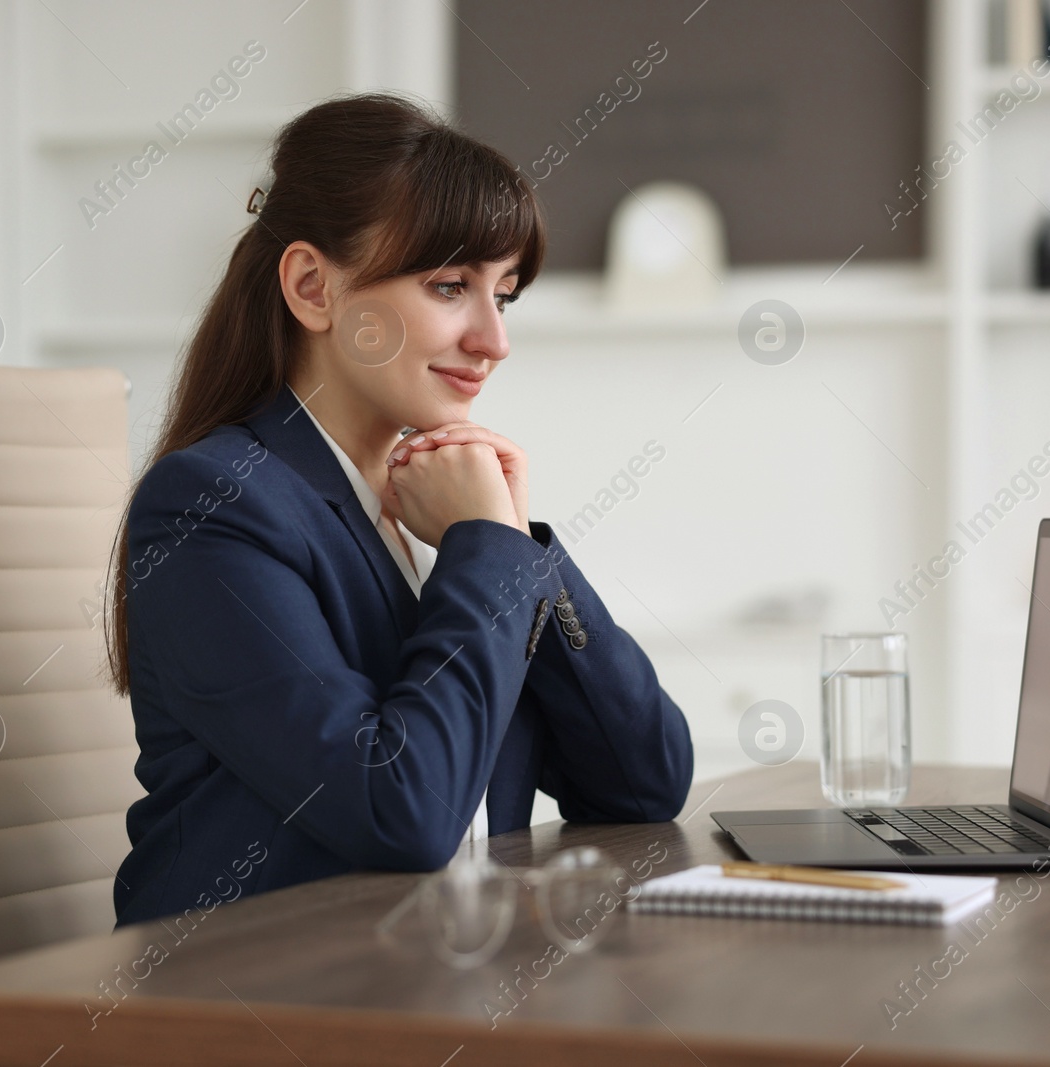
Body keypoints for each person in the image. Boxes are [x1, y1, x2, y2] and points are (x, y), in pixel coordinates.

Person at [106, 92, 694, 926]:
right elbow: (401, 812)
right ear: (314, 287)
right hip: (252, 1000)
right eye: (452, 285)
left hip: (434, 980)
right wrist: (488, 546)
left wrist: (518, 544)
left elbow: (645, 782)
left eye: (506, 294)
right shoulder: (214, 505)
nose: (495, 339)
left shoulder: (444, 508)